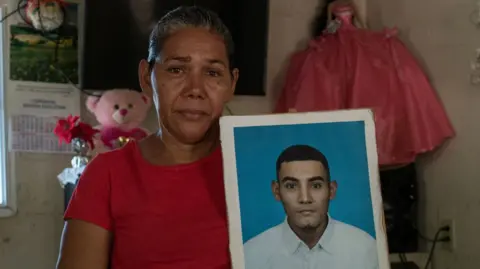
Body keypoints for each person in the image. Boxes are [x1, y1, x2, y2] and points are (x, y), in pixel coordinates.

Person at [56, 6, 239, 269]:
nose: (195, 90)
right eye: (177, 69)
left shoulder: (257, 170)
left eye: (212, 73)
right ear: (146, 77)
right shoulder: (107, 175)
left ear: (231, 84)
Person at [243, 144, 378, 269]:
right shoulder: (250, 256)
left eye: (316, 186)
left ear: (331, 190)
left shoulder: (366, 249)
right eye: (291, 186)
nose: (305, 199)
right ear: (277, 192)